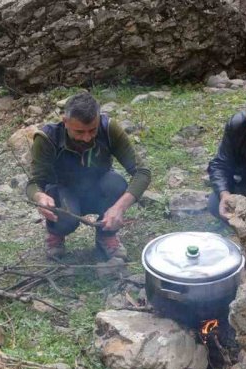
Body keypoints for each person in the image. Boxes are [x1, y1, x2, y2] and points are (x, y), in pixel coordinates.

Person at [26, 92, 152, 261]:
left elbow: (142, 172)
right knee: (65, 217)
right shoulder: (47, 138)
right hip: (64, 193)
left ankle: (106, 235)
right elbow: (34, 182)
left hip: (98, 188)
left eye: (92, 130)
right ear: (65, 122)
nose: (86, 137)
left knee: (116, 184)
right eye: (79, 131)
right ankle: (56, 234)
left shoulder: (109, 130)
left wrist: (120, 207)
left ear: (98, 119)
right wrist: (39, 197)